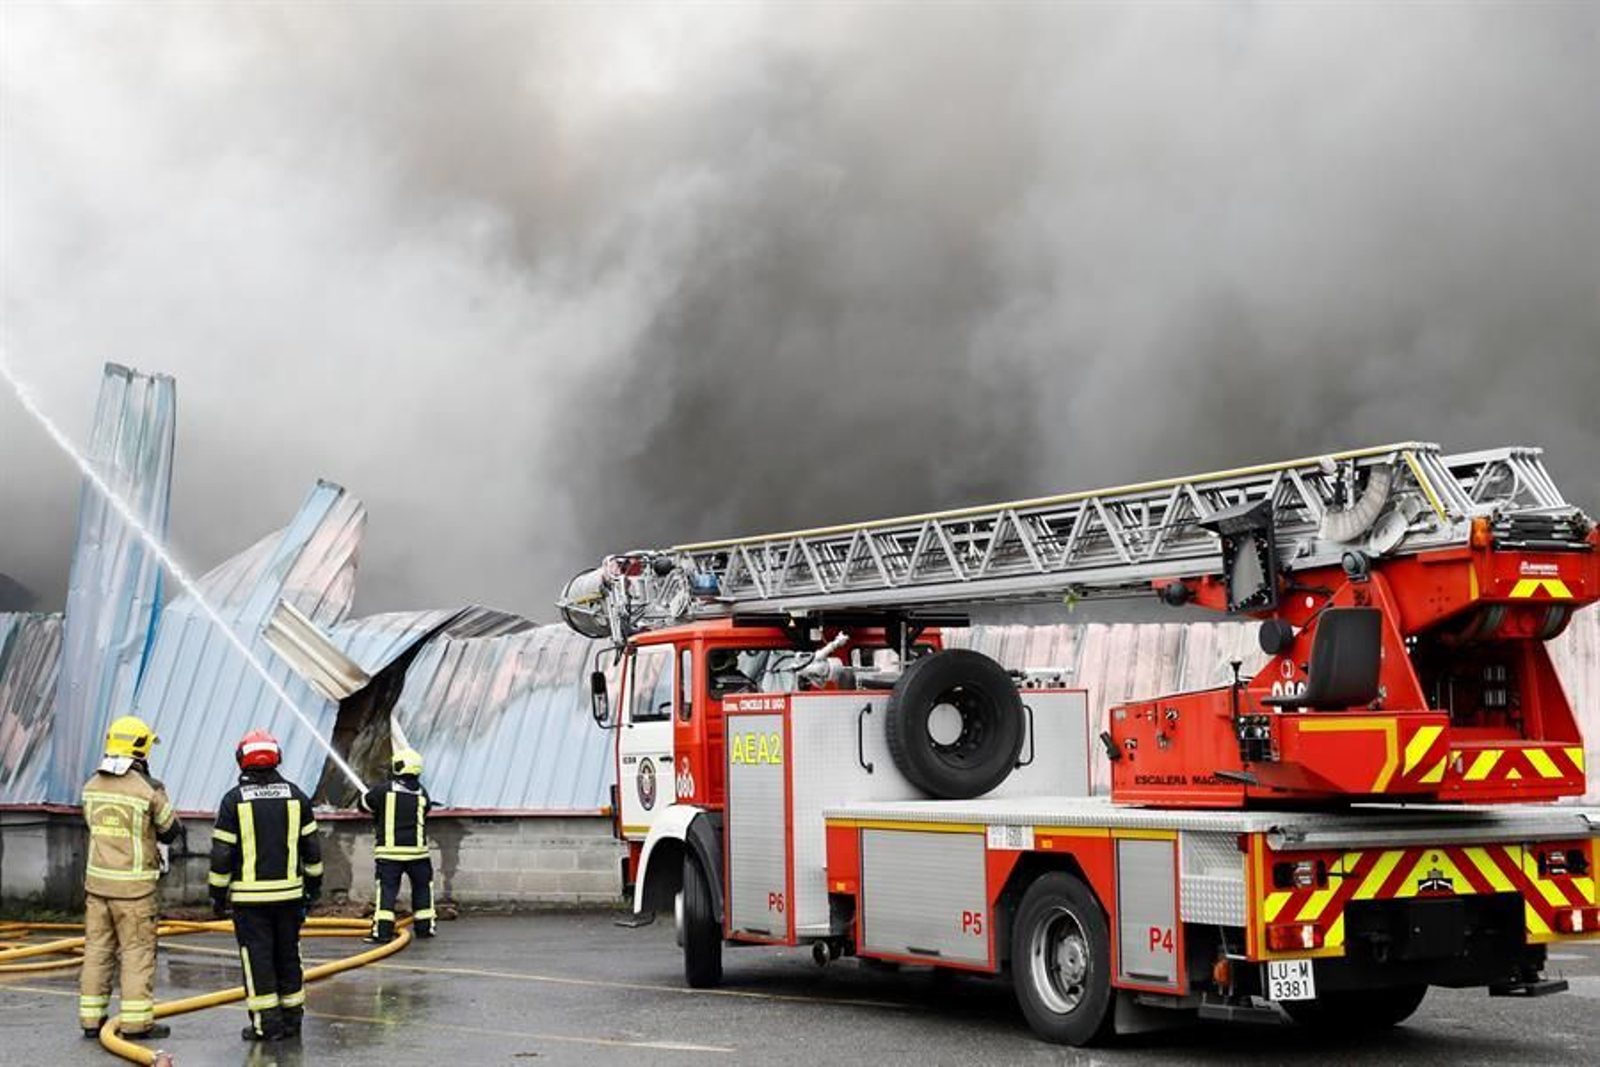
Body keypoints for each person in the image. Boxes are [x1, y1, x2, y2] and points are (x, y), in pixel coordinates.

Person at [208, 729, 322, 1042]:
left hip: (250, 901)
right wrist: (313, 889)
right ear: (277, 757)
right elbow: (312, 850)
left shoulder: (233, 801)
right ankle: (292, 1019)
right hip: (290, 898)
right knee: (288, 956)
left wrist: (217, 896)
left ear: (242, 760)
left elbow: (221, 855)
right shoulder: (297, 797)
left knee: (257, 959)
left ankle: (266, 1025)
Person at [79, 715, 184, 1039]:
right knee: (136, 955)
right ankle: (137, 1024)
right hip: (134, 892)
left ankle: (91, 1020)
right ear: (141, 749)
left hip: (97, 888)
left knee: (97, 951)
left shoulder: (91, 786)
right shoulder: (148, 790)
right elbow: (171, 831)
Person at [361, 747, 436, 942]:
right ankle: (425, 928)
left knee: (387, 892)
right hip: (418, 854)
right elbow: (425, 810)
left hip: (390, 855)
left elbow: (363, 805)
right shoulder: (422, 793)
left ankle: (382, 933)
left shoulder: (384, 790)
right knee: (422, 889)